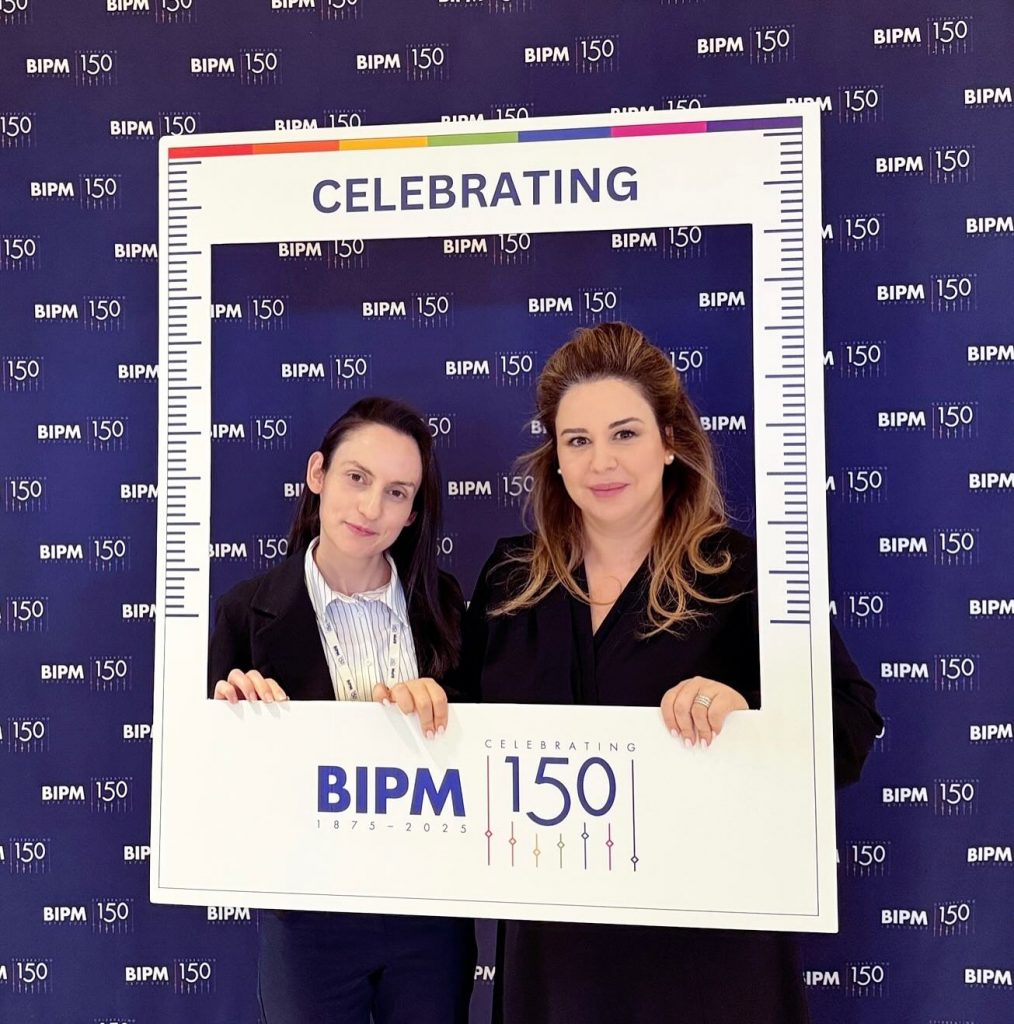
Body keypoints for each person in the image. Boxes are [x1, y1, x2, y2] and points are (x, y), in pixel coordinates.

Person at [454, 322, 883, 1024]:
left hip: (706, 961)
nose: (601, 462)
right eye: (577, 440)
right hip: (556, 964)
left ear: (670, 442)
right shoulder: (509, 577)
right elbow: (459, 731)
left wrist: (746, 711)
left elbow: (852, 723)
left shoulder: (741, 575)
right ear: (555, 459)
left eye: (624, 434)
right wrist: (418, 705)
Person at [207, 396, 476, 1024]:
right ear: (318, 474)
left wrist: (447, 710)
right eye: (357, 478)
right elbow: (215, 786)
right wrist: (231, 718)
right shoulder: (246, 612)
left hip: (430, 918)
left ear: (413, 512)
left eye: (397, 493)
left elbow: (479, 747)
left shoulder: (442, 602)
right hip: (308, 921)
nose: (371, 508)